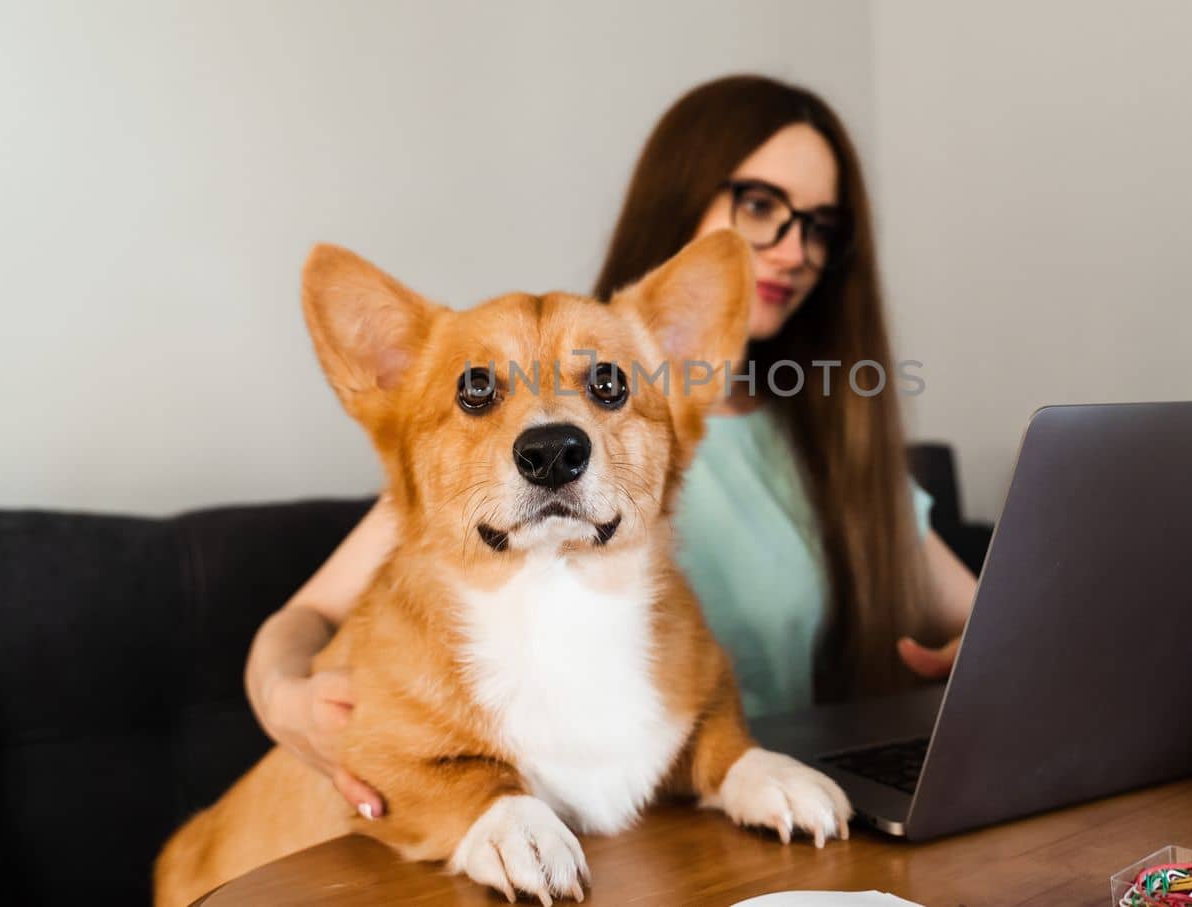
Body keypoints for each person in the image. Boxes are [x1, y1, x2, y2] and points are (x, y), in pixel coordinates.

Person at [245, 74, 979, 820]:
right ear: (683, 194)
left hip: (785, 811)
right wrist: (284, 699)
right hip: (624, 833)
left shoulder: (840, 451)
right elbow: (303, 618)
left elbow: (990, 615)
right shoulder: (501, 447)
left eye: (821, 226)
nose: (791, 249)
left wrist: (995, 655)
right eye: (761, 206)